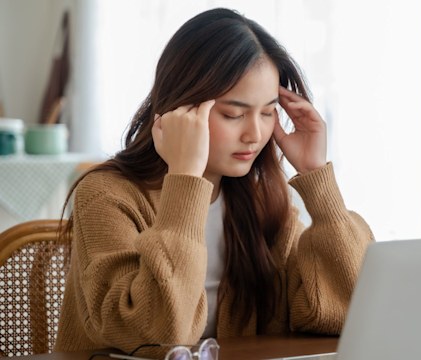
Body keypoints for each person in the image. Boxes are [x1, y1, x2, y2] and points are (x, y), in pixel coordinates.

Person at [54, 7, 374, 353]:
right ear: (181, 110)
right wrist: (185, 181)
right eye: (233, 114)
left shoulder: (262, 198)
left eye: (268, 113)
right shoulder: (106, 194)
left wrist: (316, 180)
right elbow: (154, 330)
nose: (255, 134)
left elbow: (343, 313)